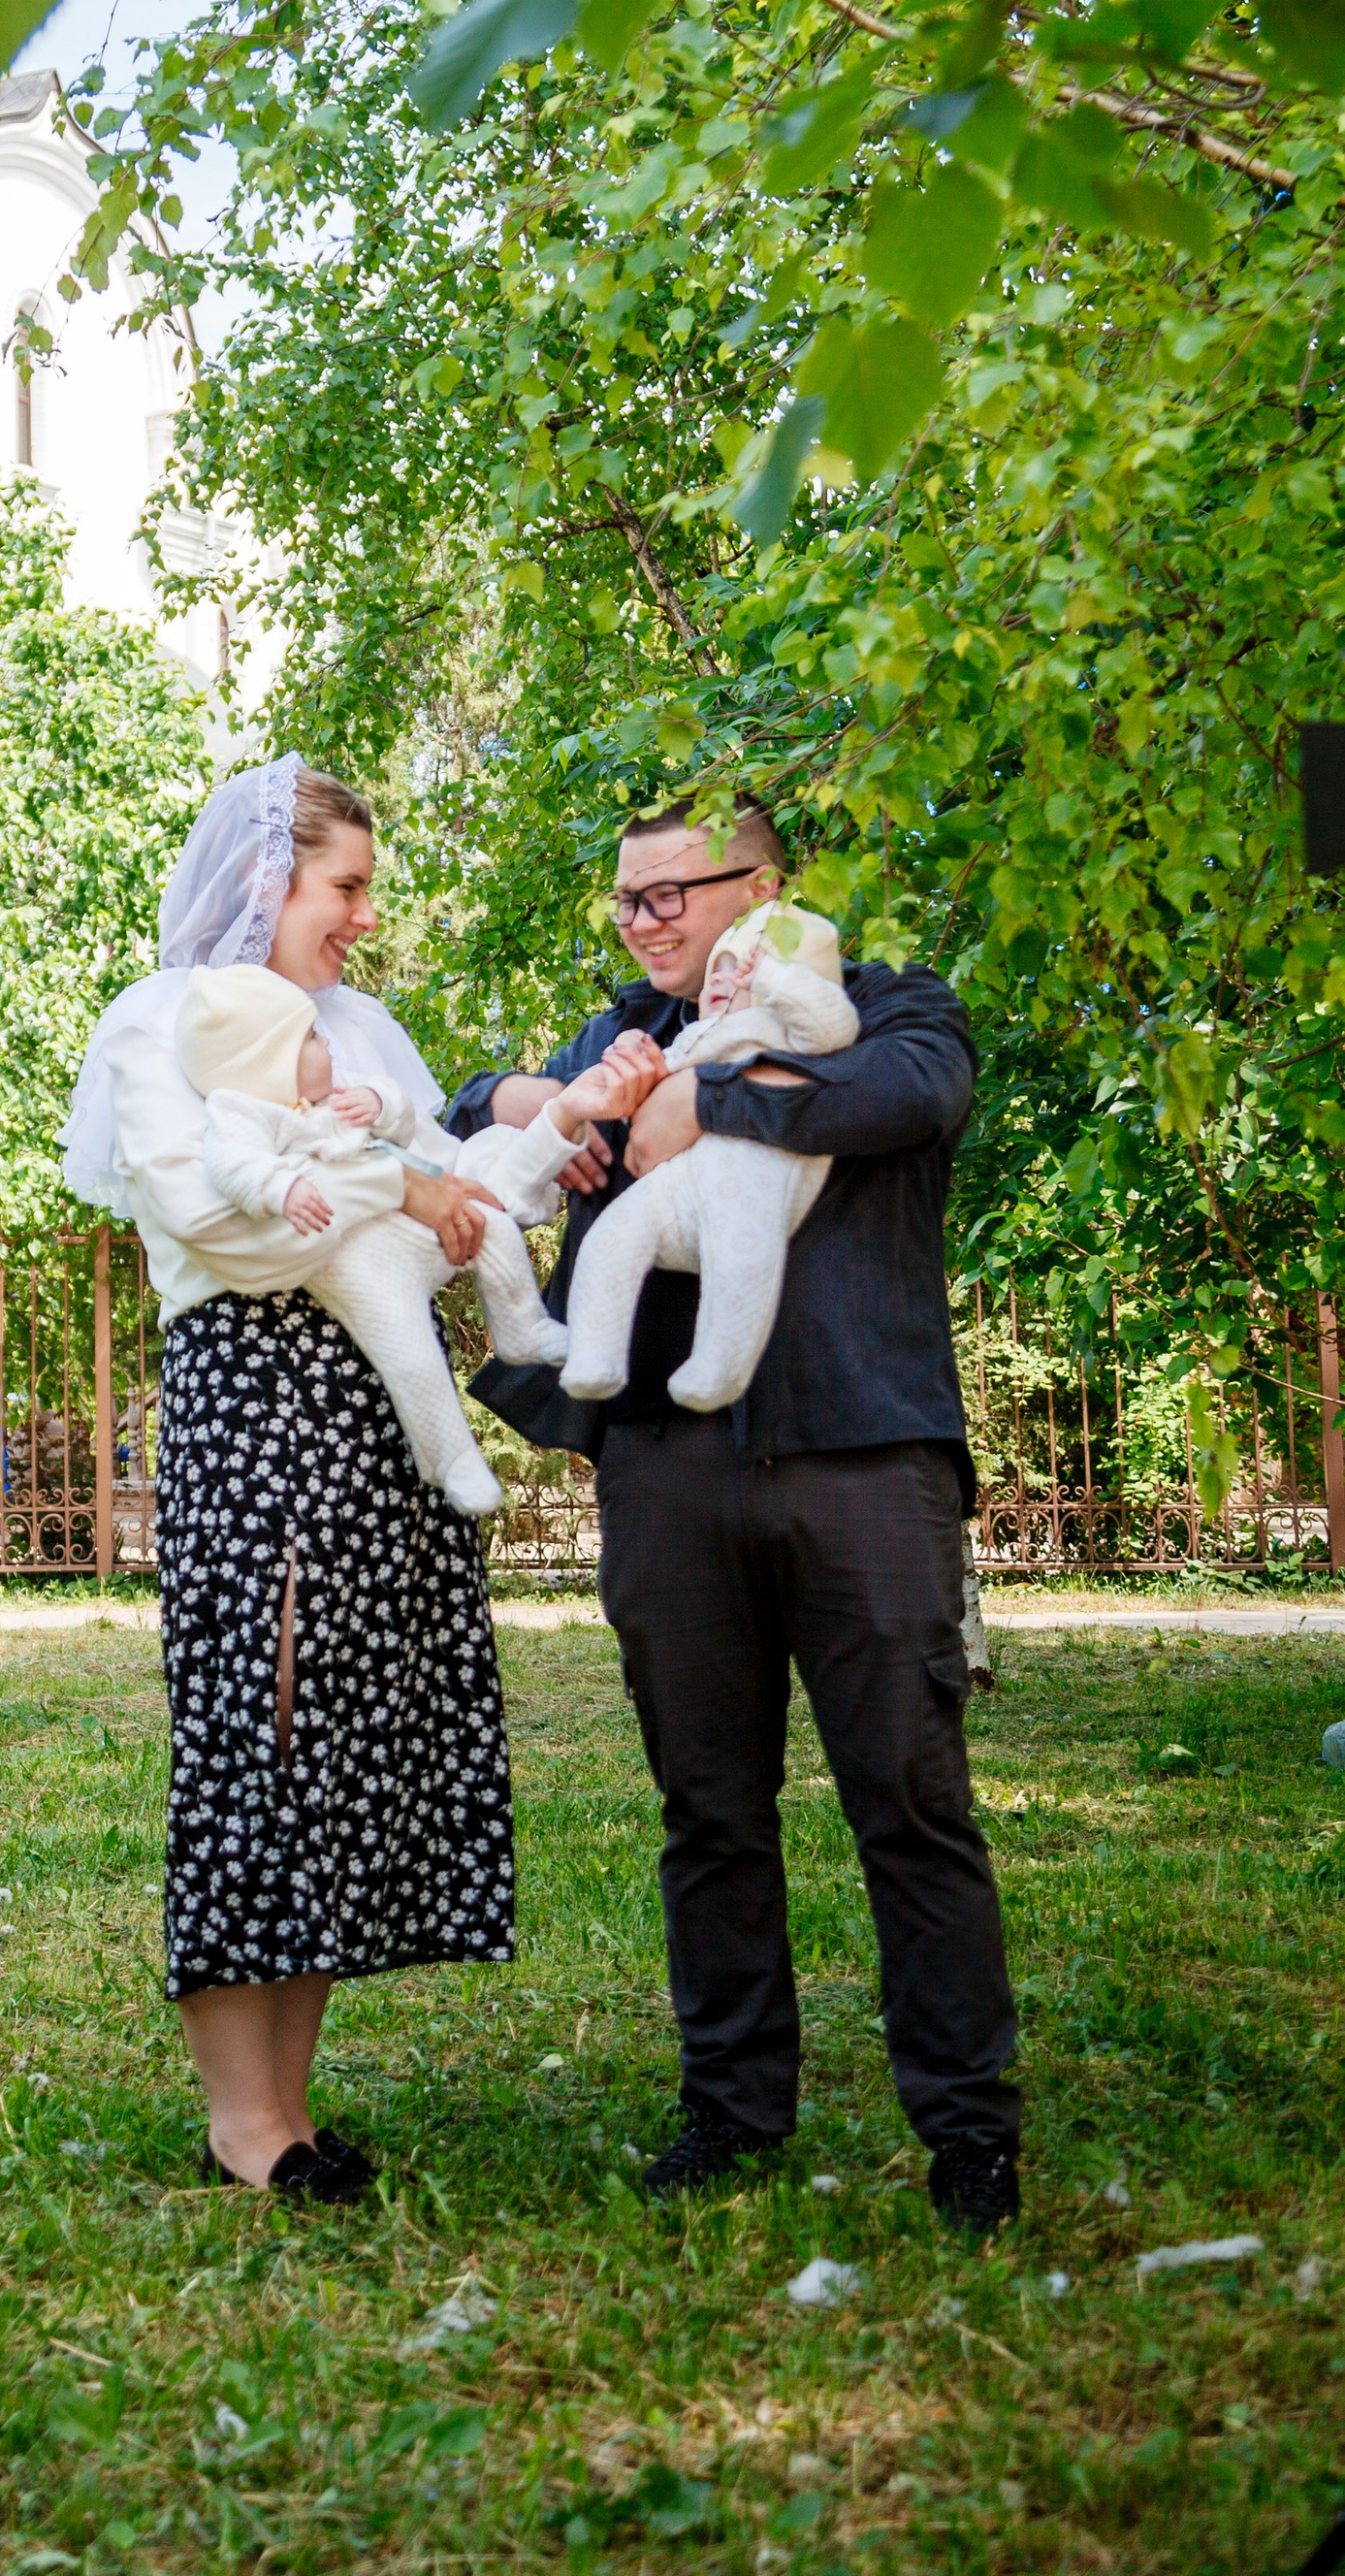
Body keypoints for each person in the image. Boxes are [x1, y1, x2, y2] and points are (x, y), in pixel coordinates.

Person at [62, 759, 661, 2200]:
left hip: (377, 1410)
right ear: (267, 880)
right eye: (344, 886)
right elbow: (219, 1223)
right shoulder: (161, 1019)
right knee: (258, 1727)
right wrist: (406, 1189)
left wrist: (552, 1132)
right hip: (254, 1402)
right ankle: (242, 2124)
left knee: (342, 1738)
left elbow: (469, 1203)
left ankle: (289, 2106)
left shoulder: (359, 1031)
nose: (361, 916)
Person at [452, 794, 1023, 2236]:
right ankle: (731, 2109)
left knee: (911, 1801)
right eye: (626, 899)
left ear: (763, 886)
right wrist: (559, 1114)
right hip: (668, 1470)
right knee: (707, 1809)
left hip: (863, 1458)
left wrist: (712, 1103)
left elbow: (912, 1099)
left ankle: (968, 2132)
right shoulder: (628, 1034)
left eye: (671, 894)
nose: (644, 922)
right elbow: (471, 1102)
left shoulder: (888, 1002)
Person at [176, 961, 635, 1514]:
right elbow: (230, 1163)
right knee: (410, 1352)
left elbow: (401, 1123)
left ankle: (522, 1327)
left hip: (416, 1221)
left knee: (489, 1223)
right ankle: (452, 1458)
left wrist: (380, 1102)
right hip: (356, 1261)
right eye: (312, 1038)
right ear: (269, 1058)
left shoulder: (337, 1090)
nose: (327, 1043)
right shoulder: (245, 1111)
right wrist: (280, 1188)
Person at [555, 901, 856, 1415]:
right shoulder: (697, 1035)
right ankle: (593, 1355)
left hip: (751, 1179)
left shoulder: (789, 1035)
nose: (721, 979)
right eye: (718, 969)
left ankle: (718, 1368)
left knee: (740, 1259)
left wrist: (772, 978)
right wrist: (633, 1057)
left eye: (739, 969)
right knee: (611, 1236)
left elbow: (834, 1024)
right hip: (679, 1186)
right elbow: (647, 1100)